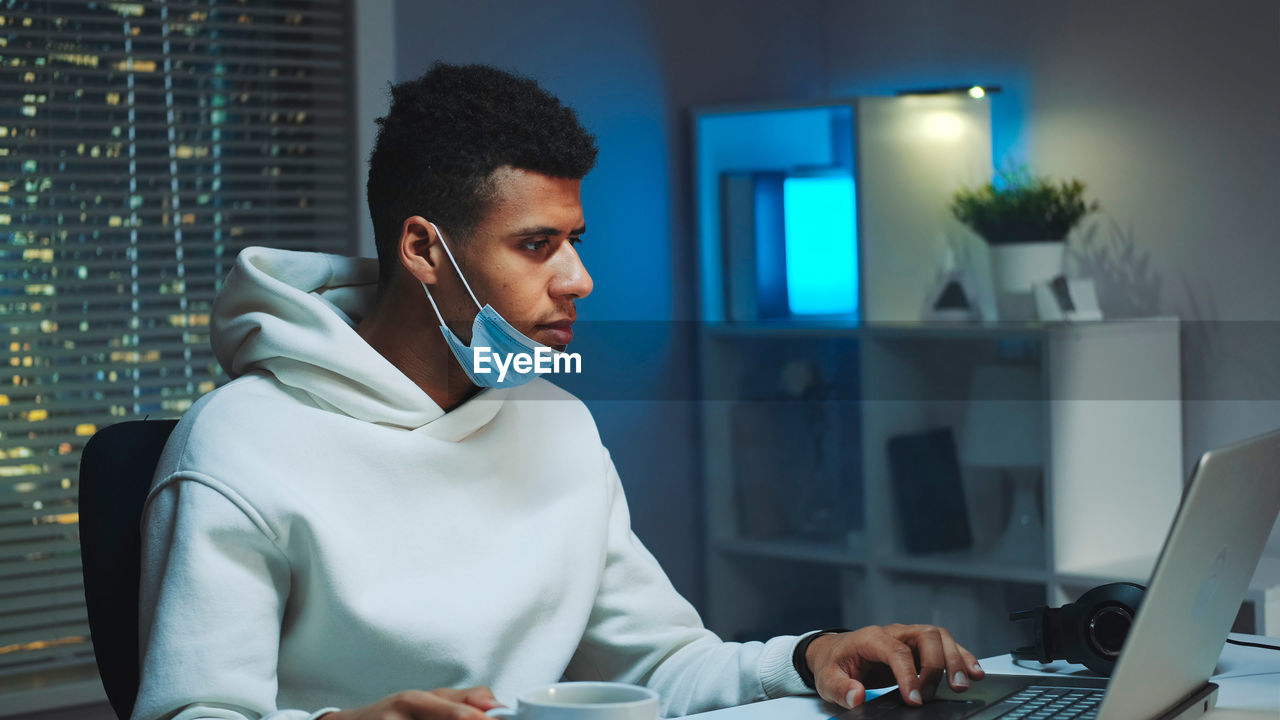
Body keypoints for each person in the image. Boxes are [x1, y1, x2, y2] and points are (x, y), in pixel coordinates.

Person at [132, 62, 985, 720]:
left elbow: (659, 666)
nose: (579, 279)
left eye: (575, 239)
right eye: (537, 244)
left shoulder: (556, 426)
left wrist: (813, 656)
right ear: (423, 251)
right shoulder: (239, 448)